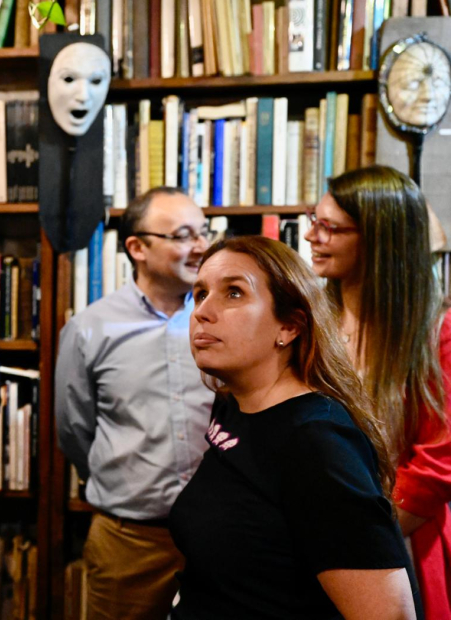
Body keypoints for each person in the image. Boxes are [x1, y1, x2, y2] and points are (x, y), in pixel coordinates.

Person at [170, 235, 419, 619]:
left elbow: (390, 614)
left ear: (289, 326)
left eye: (234, 293)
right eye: (200, 293)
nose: (203, 311)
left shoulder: (317, 442)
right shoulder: (234, 403)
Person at [55, 187, 215, 620]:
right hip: (130, 541)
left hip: (220, 537)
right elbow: (73, 429)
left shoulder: (222, 321)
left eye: (203, 231)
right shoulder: (90, 328)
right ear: (137, 247)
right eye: (183, 235)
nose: (201, 246)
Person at [306, 165, 451, 619]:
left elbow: (437, 464)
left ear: (378, 240)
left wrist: (363, 534)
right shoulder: (310, 318)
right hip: (307, 533)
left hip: (395, 541)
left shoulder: (435, 331)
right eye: (314, 219)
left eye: (328, 227)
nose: (311, 235)